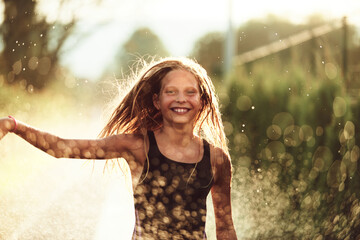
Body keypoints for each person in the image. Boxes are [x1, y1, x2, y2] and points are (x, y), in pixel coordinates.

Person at [0, 57, 237, 239]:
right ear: (157, 101)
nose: (181, 99)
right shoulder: (137, 146)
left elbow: (225, 228)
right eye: (171, 92)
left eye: (190, 92)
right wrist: (14, 125)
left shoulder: (217, 159)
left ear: (202, 101)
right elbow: (62, 148)